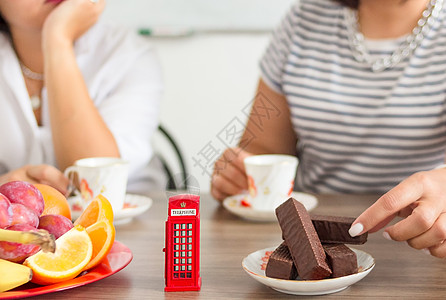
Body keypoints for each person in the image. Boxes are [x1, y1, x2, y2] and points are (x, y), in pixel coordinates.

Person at [211, 0, 446, 258]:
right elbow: (263, 148)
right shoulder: (304, 19)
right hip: (304, 242)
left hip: (420, 248)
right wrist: (239, 174)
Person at [0, 0, 163, 195]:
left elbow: (96, 182)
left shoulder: (128, 54)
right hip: (17, 224)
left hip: (127, 219)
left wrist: (58, 40)